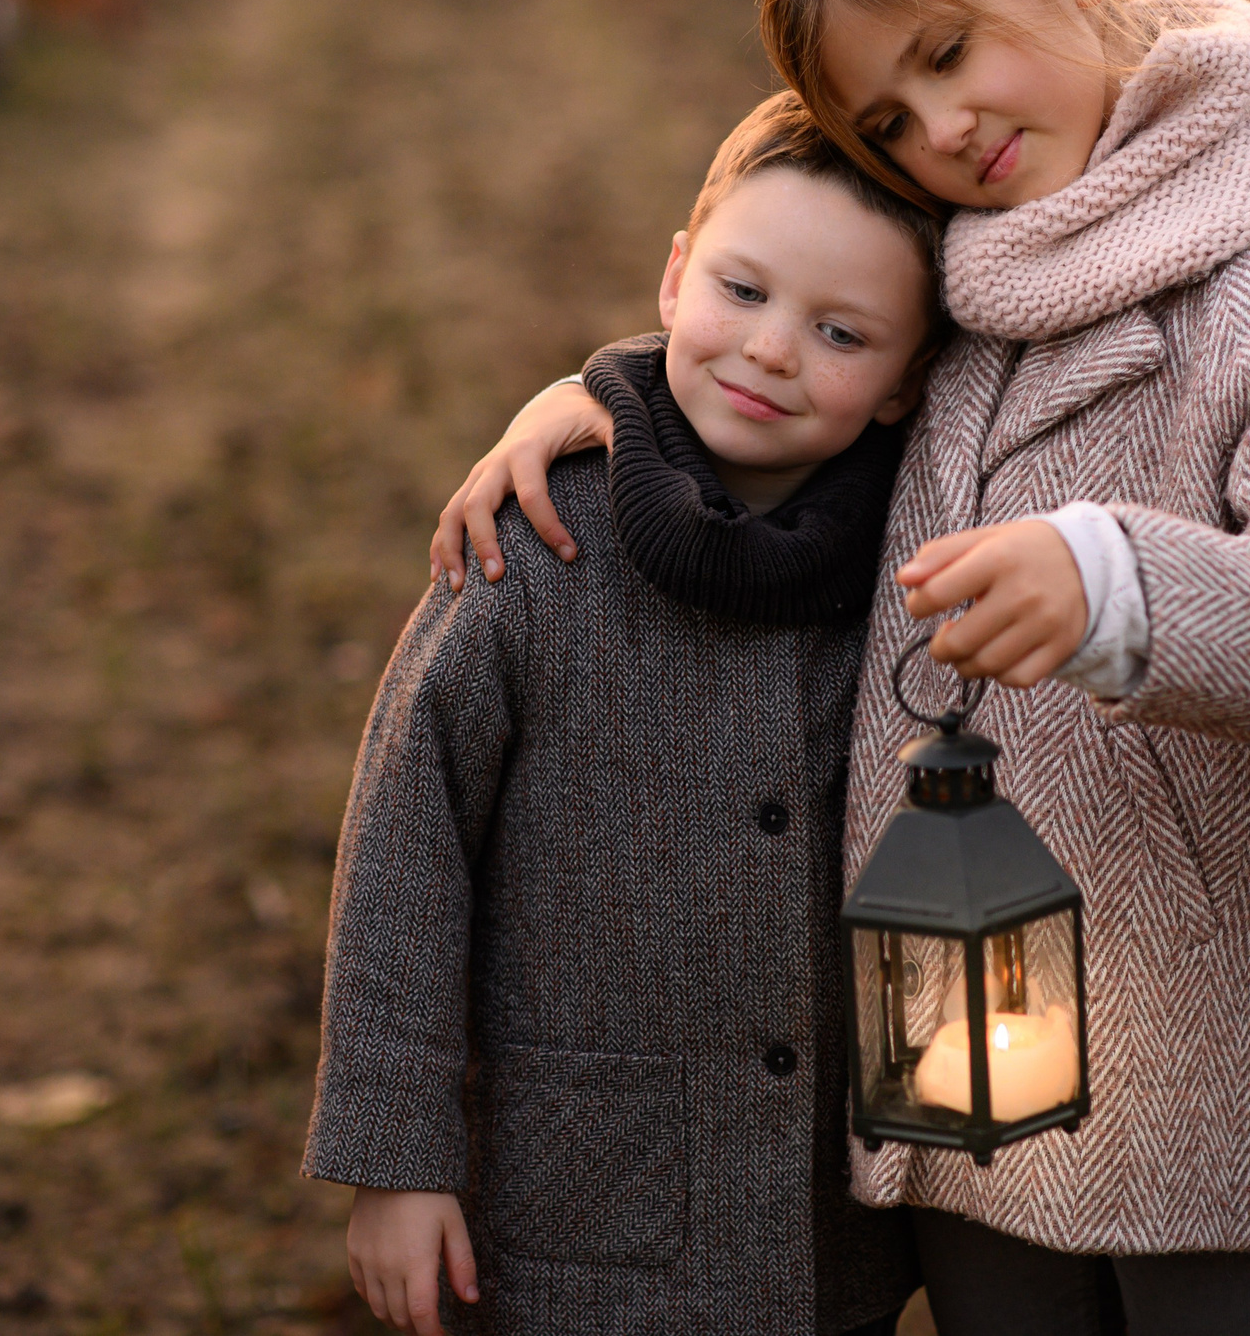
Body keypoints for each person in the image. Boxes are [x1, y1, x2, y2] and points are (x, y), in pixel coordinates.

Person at [429, 0, 1250, 1336]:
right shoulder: (973, 267)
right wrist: (614, 403)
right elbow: (800, 343)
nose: (943, 130)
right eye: (889, 118)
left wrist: (1119, 584)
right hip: (969, 1028)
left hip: (1201, 1042)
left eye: (949, 52)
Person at [305, 93, 936, 1336]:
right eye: (741, 292)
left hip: (831, 1226)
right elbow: (404, 845)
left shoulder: (912, 569)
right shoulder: (537, 545)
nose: (769, 350)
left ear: (911, 380)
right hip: (575, 1210)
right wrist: (396, 1157)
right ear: (672, 276)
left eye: (841, 330)